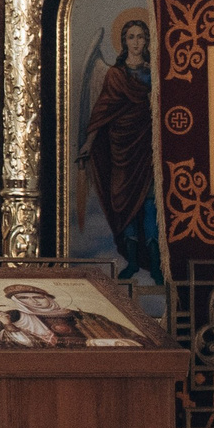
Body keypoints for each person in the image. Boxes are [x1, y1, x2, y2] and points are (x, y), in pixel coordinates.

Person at [79, 17, 160, 280]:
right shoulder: (114, 75)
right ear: (124, 42)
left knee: (149, 205)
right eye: (131, 37)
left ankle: (158, 264)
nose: (136, 42)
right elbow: (101, 112)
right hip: (121, 150)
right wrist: (89, 144)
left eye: (140, 37)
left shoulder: (155, 72)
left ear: (147, 40)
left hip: (147, 149)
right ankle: (133, 262)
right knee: (126, 206)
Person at [0, 283, 141, 348]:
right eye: (24, 298)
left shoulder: (85, 316)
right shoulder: (15, 317)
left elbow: (132, 337)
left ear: (49, 299)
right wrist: (8, 324)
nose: (33, 302)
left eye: (38, 297)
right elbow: (21, 345)